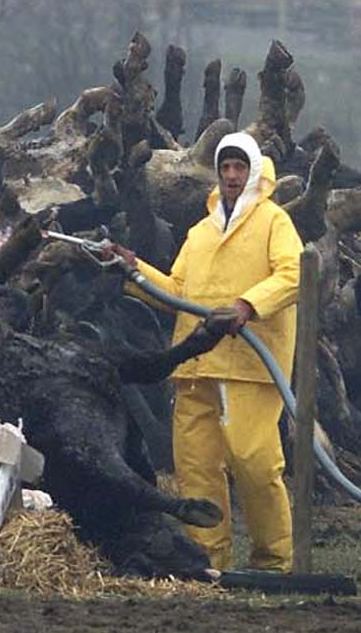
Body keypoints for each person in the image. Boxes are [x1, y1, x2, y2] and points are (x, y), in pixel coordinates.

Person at [109, 132, 304, 572]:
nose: (232, 175)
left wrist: (247, 306)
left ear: (253, 170)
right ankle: (205, 560)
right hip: (195, 366)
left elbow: (294, 275)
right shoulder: (200, 232)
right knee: (196, 469)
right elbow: (178, 291)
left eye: (240, 167)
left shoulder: (274, 222)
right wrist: (131, 268)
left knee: (255, 463)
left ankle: (273, 562)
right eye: (226, 167)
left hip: (251, 367)